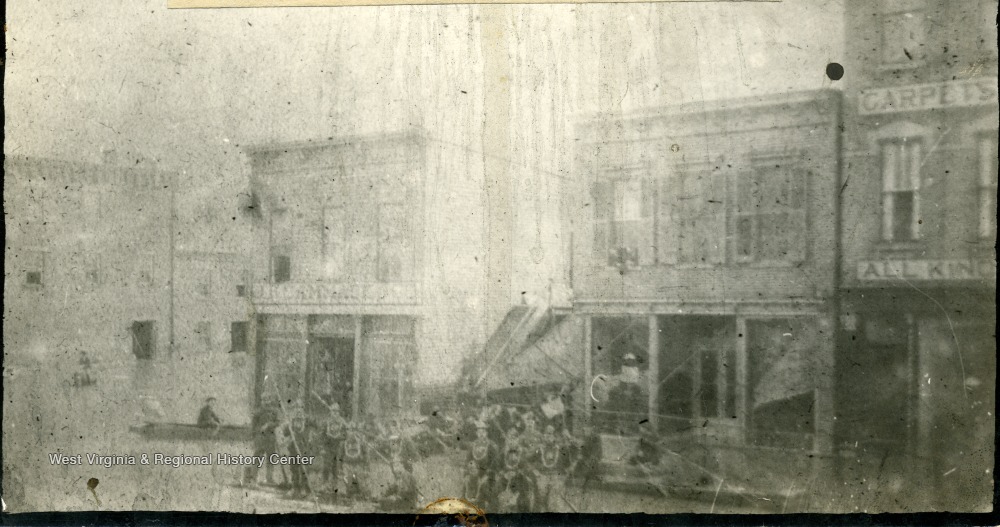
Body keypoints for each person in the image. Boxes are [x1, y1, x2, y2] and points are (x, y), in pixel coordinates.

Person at [244, 396, 285, 488]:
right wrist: (253, 438)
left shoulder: (274, 412)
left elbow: (278, 422)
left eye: (267, 399)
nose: (266, 402)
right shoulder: (258, 412)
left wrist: (269, 425)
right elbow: (253, 426)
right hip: (260, 437)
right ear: (262, 401)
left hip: (270, 437)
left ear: (270, 401)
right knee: (257, 457)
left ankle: (269, 478)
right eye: (264, 400)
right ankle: (253, 478)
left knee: (271, 458)